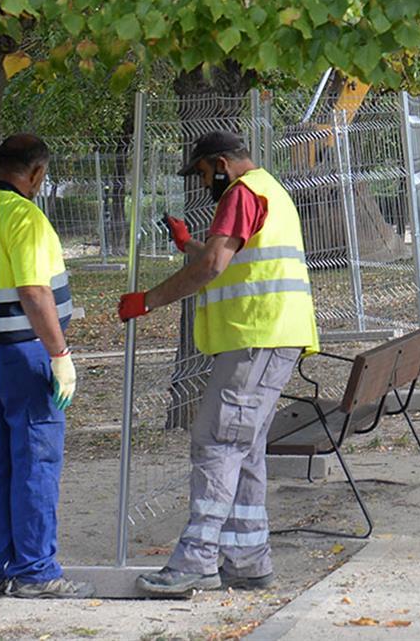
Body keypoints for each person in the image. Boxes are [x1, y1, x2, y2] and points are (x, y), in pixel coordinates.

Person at [117, 131, 319, 597]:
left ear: (222, 164)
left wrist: (148, 301)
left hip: (257, 338)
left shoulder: (240, 194)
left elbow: (212, 269)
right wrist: (189, 243)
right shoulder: (270, 189)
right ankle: (248, 560)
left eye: (205, 173)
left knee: (216, 442)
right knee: (243, 450)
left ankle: (197, 561)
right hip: (271, 338)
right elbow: (223, 259)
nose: (204, 183)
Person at [0, 133, 95, 599]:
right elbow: (35, 293)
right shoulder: (24, 217)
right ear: (35, 173)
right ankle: (35, 571)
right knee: (36, 460)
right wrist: (60, 355)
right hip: (26, 351)